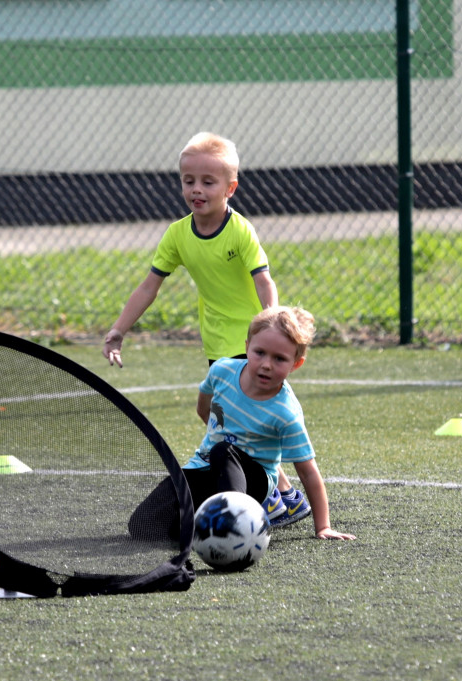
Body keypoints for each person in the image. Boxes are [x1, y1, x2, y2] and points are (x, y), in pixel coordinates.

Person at [102, 131, 307, 526]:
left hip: (251, 342)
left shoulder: (240, 230)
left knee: (242, 418)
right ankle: (283, 494)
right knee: (225, 418)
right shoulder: (178, 234)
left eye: (208, 182)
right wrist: (118, 330)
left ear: (230, 188)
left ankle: (275, 497)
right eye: (188, 180)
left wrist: (274, 322)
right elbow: (150, 285)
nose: (196, 189)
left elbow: (264, 279)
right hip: (217, 340)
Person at [128, 307, 356, 542]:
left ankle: (237, 520)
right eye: (260, 353)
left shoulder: (286, 412)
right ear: (247, 347)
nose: (267, 364)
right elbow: (203, 407)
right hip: (203, 467)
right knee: (142, 526)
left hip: (252, 481)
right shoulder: (222, 371)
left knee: (223, 450)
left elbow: (308, 472)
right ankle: (204, 527)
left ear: (295, 364)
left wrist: (323, 527)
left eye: (279, 359)